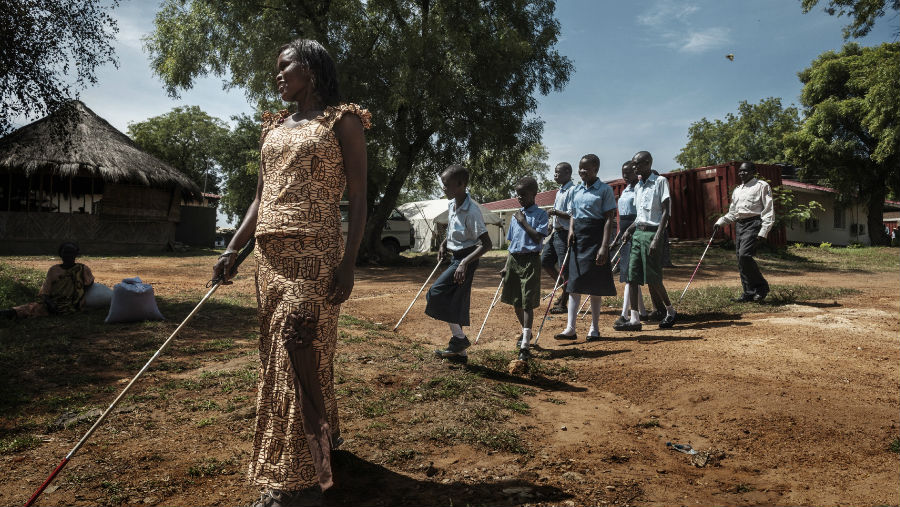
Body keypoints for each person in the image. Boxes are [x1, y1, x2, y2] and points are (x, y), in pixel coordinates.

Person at [211, 39, 369, 506]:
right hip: (269, 262)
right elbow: (261, 200)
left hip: (316, 258)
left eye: (286, 66)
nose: (277, 75)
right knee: (280, 360)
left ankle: (299, 485)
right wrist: (232, 250)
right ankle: (325, 442)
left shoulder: (342, 122)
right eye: (276, 68)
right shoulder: (274, 127)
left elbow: (358, 200)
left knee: (300, 357)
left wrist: (348, 263)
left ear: (312, 70)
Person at [430, 164, 493, 364]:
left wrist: (464, 263)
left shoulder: (472, 211)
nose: (443, 188)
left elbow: (487, 244)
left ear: (461, 185)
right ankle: (460, 354)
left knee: (436, 293)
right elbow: (452, 230)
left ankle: (459, 339)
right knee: (454, 301)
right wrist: (443, 243)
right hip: (457, 257)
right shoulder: (451, 205)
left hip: (467, 258)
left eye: (447, 185)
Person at [554, 154, 617, 342]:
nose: (582, 172)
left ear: (596, 168)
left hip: (596, 238)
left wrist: (604, 246)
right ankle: (570, 329)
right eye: (580, 168)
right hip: (578, 240)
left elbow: (608, 219)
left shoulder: (604, 190)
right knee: (574, 283)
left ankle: (594, 329)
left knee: (595, 286)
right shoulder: (576, 190)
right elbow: (573, 214)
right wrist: (571, 230)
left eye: (586, 169)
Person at [615, 151, 677, 331]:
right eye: (633, 165)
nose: (635, 168)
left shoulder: (660, 182)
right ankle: (634, 319)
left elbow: (666, 212)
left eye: (638, 164)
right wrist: (628, 230)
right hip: (637, 234)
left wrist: (658, 237)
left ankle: (670, 311)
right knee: (632, 277)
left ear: (648, 163)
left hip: (652, 234)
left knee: (653, 278)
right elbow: (640, 216)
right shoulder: (638, 187)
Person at [500, 176, 549, 361]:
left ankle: (526, 344)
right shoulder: (515, 215)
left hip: (531, 260)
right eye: (517, 195)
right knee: (516, 300)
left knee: (528, 301)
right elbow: (512, 243)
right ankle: (525, 332)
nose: (520, 198)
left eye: (523, 195)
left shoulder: (541, 215)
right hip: (514, 260)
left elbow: (538, 237)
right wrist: (506, 266)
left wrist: (523, 222)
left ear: (534, 194)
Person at [714, 161, 774, 303]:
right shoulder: (738, 190)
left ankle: (761, 287)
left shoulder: (762, 186)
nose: (742, 173)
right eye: (740, 171)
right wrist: (720, 222)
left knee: (744, 256)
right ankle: (748, 292)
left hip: (754, 223)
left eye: (745, 171)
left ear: (753, 171)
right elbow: (733, 213)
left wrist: (764, 230)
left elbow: (768, 209)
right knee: (740, 260)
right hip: (740, 225)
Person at [1, 242, 94, 319]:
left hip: (73, 304)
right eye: (65, 252)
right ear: (60, 254)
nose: (68, 255)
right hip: (53, 302)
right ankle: (8, 313)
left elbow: (89, 283)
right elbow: (45, 290)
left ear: (76, 255)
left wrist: (78, 296)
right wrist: (50, 303)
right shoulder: (53, 270)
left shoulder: (82, 269)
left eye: (71, 253)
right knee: (28, 309)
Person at [612, 162, 648, 328]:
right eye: (623, 173)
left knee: (629, 275)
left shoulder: (641, 188)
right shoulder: (624, 191)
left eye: (629, 172)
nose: (626, 175)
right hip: (624, 232)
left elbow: (641, 214)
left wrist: (631, 230)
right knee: (629, 273)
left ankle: (624, 314)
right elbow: (622, 218)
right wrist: (617, 236)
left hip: (636, 230)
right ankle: (642, 311)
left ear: (635, 172)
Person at [542, 162, 575, 314]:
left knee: (565, 269)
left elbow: (571, 214)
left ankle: (564, 302)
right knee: (545, 261)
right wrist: (551, 223)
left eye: (558, 172)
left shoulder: (572, 190)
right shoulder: (560, 191)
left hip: (565, 233)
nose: (555, 175)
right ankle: (563, 288)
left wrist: (554, 212)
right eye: (554, 173)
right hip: (556, 232)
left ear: (568, 173)